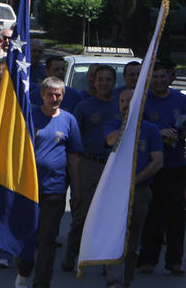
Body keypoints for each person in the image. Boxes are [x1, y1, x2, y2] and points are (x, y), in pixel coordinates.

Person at [15, 77, 82, 287]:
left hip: (55, 188)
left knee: (48, 237)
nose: (54, 98)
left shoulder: (69, 120)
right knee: (27, 234)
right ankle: (24, 271)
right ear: (42, 95)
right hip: (28, 187)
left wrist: (77, 186)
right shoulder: (30, 116)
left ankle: (42, 281)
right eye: (50, 94)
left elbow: (73, 156)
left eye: (58, 95)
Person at [61, 64, 120, 271]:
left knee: (109, 216)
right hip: (89, 164)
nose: (104, 83)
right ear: (94, 82)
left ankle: (107, 261)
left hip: (113, 166)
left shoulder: (121, 105)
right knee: (82, 214)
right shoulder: (84, 107)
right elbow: (73, 142)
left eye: (108, 80)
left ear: (114, 82)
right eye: (100, 79)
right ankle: (72, 256)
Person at [104, 88, 163, 286]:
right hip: (115, 191)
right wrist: (128, 125)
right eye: (122, 102)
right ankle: (114, 280)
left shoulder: (151, 129)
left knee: (132, 239)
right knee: (115, 237)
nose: (125, 105)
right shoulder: (113, 125)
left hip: (140, 191)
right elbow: (110, 141)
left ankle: (126, 280)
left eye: (129, 102)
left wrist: (136, 180)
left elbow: (158, 161)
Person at [137, 62, 186, 275]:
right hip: (150, 165)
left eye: (162, 76)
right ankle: (148, 259)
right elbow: (136, 127)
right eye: (155, 77)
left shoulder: (181, 100)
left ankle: (174, 261)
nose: (159, 81)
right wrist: (158, 132)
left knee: (177, 214)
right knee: (152, 213)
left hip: (176, 165)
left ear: (170, 77)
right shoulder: (142, 100)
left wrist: (179, 134)